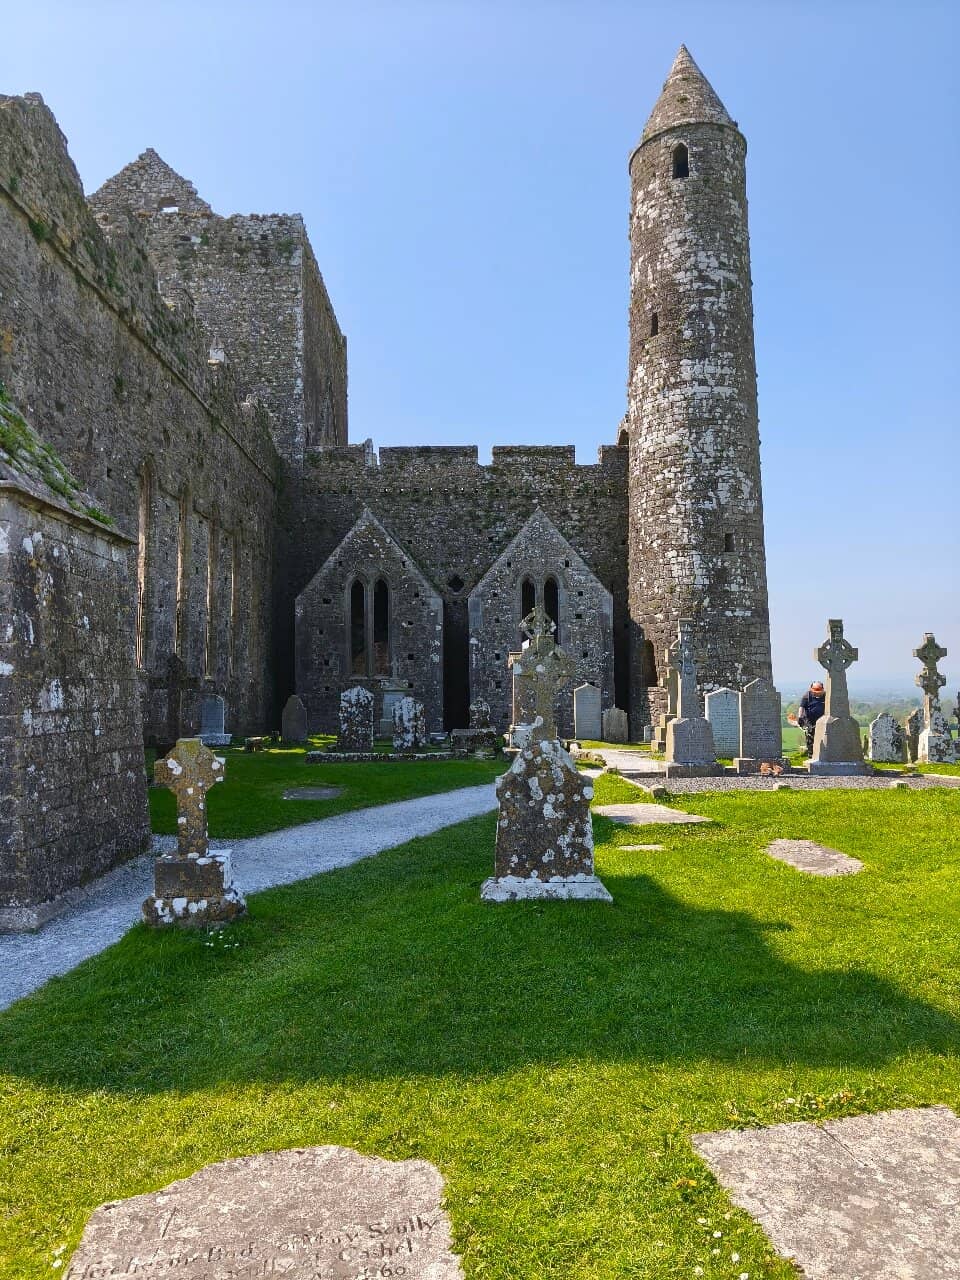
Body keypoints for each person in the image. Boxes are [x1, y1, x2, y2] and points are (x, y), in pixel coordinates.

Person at [797, 681, 826, 756]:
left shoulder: (826, 696)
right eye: (814, 691)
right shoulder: (807, 696)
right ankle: (811, 755)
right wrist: (800, 718)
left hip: (823, 721)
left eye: (818, 691)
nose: (816, 693)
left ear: (822, 689)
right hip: (810, 721)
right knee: (810, 739)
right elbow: (801, 707)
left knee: (824, 738)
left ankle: (824, 755)